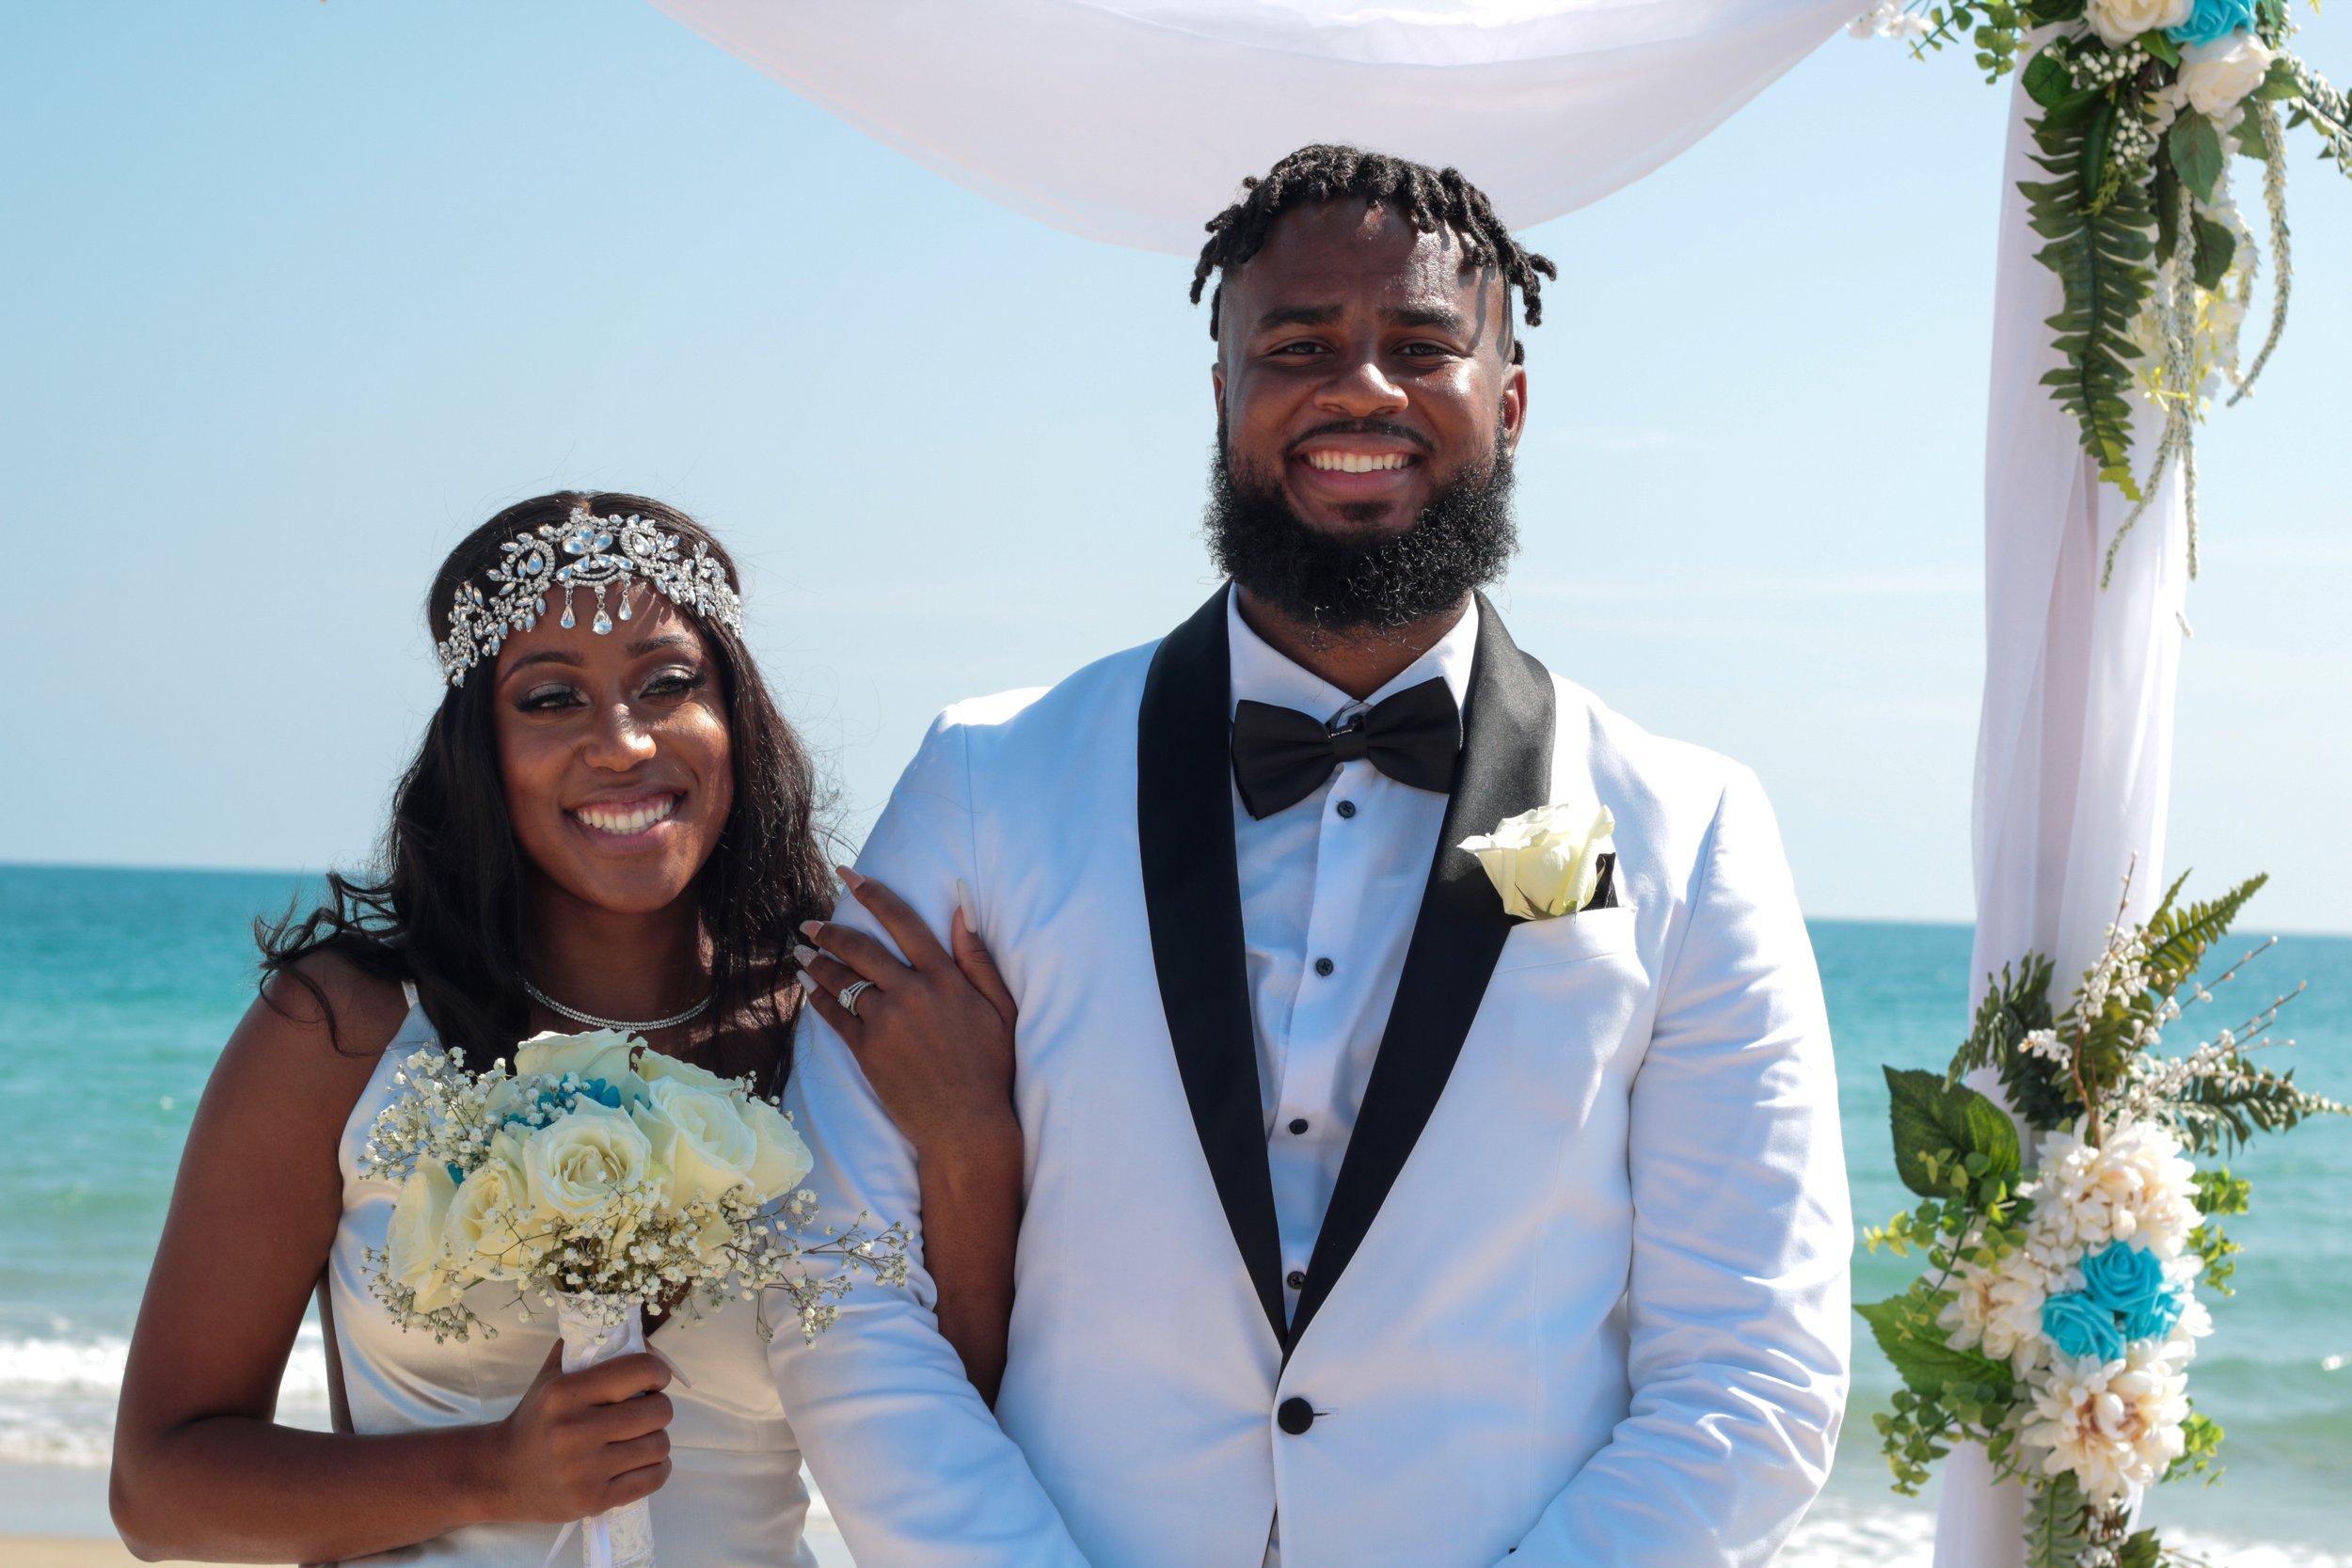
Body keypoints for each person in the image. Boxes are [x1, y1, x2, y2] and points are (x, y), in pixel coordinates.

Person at [778, 146, 1852, 1568]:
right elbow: (834, 1278)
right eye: (1298, 346)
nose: (1362, 388)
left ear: (1511, 404)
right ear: (1222, 396)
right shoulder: (986, 781)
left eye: (1421, 345)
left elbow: (1753, 1370)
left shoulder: (1689, 826)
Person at [109, 493, 1023, 1567]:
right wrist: (493, 1471)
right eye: (550, 698)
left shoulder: (829, 1029)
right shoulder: (347, 1029)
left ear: (735, 713)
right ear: (479, 750)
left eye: (669, 683)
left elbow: (961, 1443)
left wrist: (973, 1138)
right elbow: (159, 1489)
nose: (624, 742)